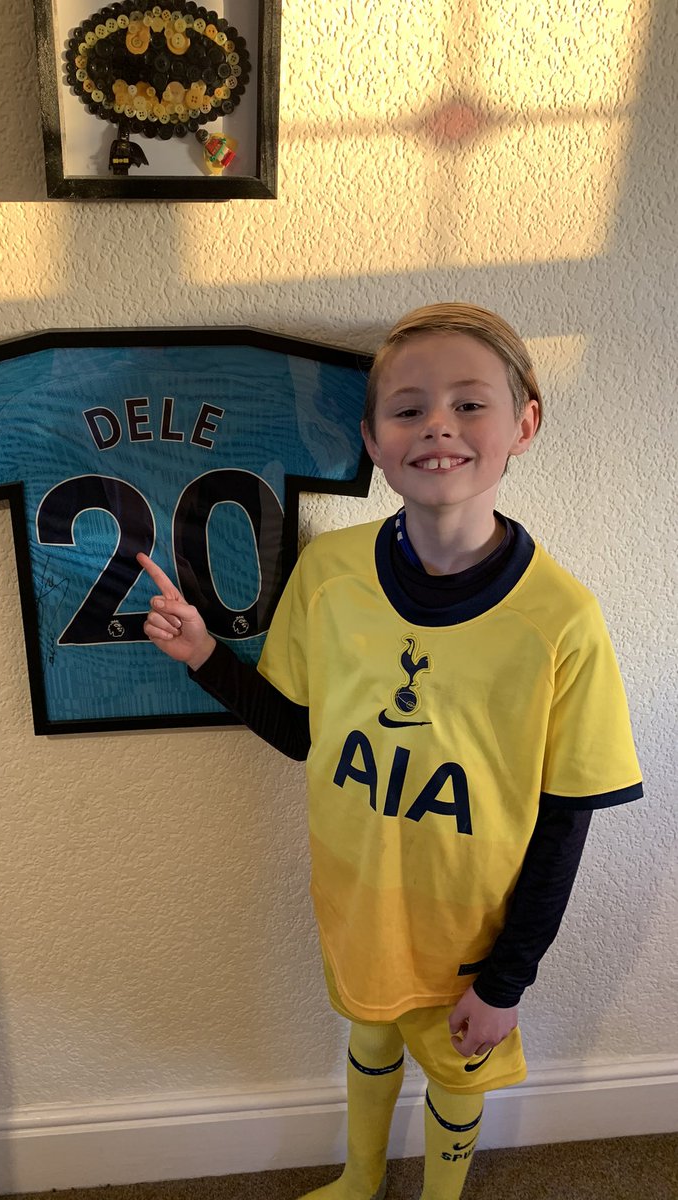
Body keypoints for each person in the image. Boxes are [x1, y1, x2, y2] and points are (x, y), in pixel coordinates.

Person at [137, 303, 642, 1200]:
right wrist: (205, 657)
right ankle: (360, 1180)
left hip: (468, 935)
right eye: (408, 409)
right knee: (368, 1039)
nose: (438, 425)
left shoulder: (564, 623)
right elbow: (304, 734)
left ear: (524, 423)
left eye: (468, 404)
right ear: (372, 439)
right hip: (358, 902)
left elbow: (568, 816)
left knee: (454, 1076)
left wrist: (508, 974)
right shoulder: (330, 575)